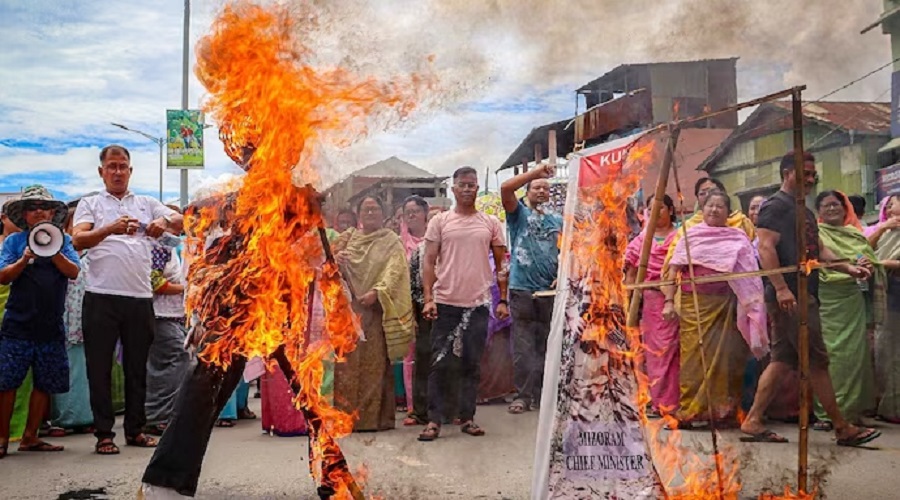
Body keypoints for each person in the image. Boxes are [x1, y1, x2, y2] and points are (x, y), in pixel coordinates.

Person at [740, 151, 880, 447]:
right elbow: (765, 248)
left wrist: (847, 266)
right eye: (806, 173)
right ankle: (842, 427)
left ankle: (752, 420)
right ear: (787, 173)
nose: (812, 178)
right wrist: (781, 288)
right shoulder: (775, 207)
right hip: (792, 297)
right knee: (817, 360)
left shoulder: (803, 210)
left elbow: (816, 252)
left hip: (803, 293)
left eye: (813, 174)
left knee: (781, 360)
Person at [72, 144, 183, 455]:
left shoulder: (146, 203)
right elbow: (77, 239)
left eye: (123, 166)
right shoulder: (90, 204)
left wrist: (166, 222)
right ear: (101, 171)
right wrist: (111, 228)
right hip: (101, 298)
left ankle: (135, 430)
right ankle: (104, 434)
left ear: (130, 171)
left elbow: (181, 222)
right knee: (100, 368)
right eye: (112, 166)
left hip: (139, 299)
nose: (118, 172)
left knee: (138, 367)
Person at [661, 191, 767, 427]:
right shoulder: (690, 236)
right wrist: (668, 301)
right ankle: (691, 410)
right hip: (694, 305)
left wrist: (752, 304)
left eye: (720, 206)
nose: (714, 210)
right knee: (694, 358)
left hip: (727, 305)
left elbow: (749, 275)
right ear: (702, 209)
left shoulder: (738, 237)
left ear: (728, 213)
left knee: (726, 358)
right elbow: (673, 271)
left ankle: (723, 411)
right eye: (710, 205)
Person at [418, 166, 509, 441]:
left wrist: (502, 299)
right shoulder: (441, 222)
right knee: (439, 362)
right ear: (454, 189)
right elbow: (429, 261)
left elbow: (502, 265)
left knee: (471, 363)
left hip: (478, 303)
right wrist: (429, 298)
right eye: (462, 185)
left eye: (472, 185)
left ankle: (467, 418)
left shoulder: (490, 223)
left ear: (477, 188)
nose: (467, 189)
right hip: (445, 302)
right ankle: (433, 421)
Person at [0, 185, 81, 458]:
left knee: (45, 382)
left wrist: (53, 250)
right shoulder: (13, 242)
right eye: (33, 207)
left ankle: (30, 437)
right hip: (18, 325)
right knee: (7, 382)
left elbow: (73, 272)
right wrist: (24, 259)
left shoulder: (65, 241)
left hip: (50, 325)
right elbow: (3, 276)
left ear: (52, 212)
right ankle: (1, 438)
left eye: (43, 207)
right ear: (25, 214)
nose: (39, 212)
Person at [332, 195, 414, 431]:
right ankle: (345, 419)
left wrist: (378, 292)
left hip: (376, 311)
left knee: (374, 365)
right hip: (348, 311)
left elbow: (396, 271)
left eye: (375, 209)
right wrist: (336, 260)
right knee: (347, 364)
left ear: (383, 213)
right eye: (366, 210)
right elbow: (327, 267)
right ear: (358, 214)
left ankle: (373, 420)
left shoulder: (391, 241)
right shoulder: (347, 239)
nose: (370, 214)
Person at [500, 164, 562, 415]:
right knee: (524, 347)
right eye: (536, 187)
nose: (541, 191)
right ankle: (523, 396)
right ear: (527, 192)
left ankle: (544, 396)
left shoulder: (557, 220)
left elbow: (569, 249)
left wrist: (563, 275)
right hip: (522, 290)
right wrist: (537, 172)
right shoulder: (519, 214)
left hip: (550, 292)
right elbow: (506, 188)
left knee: (548, 345)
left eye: (546, 188)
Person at [813, 190, 877, 429]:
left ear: (845, 208)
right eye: (826, 206)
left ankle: (849, 412)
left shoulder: (856, 236)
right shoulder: (815, 235)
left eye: (836, 205)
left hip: (852, 301)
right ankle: (825, 414)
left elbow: (873, 264)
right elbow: (815, 264)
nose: (831, 209)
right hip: (826, 301)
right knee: (828, 356)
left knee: (853, 357)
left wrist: (867, 266)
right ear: (818, 212)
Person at [625, 194, 679, 416]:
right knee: (656, 353)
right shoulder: (641, 241)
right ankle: (659, 402)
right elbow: (630, 274)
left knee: (678, 352)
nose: (657, 213)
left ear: (671, 210)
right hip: (651, 301)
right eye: (651, 209)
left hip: (679, 299)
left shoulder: (681, 237)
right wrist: (628, 306)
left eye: (662, 208)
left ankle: (676, 401)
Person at [144, 210, 192, 436]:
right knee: (174, 357)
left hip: (173, 315)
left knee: (177, 360)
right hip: (159, 315)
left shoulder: (172, 248)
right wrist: (188, 289)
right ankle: (157, 416)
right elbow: (155, 282)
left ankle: (165, 414)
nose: (181, 229)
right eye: (176, 225)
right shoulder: (159, 247)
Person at [50, 199, 95, 435]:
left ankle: (86, 416)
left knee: (86, 367)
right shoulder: (58, 247)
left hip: (88, 314)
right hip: (64, 315)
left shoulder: (93, 248)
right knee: (66, 366)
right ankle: (64, 418)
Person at [663, 177, 755, 270]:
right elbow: (674, 260)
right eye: (702, 193)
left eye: (712, 191)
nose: (708, 195)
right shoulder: (688, 227)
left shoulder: (741, 222)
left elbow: (753, 254)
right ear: (698, 199)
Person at [869, 194, 900, 423]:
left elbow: (874, 261)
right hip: (885, 294)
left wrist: (880, 264)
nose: (890, 208)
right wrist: (880, 230)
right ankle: (888, 406)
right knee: (885, 351)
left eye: (894, 203)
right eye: (887, 206)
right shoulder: (883, 233)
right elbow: (863, 252)